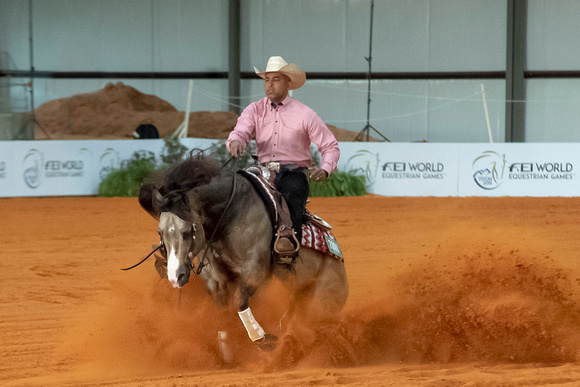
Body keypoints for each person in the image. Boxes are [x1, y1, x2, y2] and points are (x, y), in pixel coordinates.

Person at [226, 56, 340, 260]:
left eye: (275, 79)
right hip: (261, 172)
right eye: (266, 79)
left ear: (288, 82)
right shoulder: (254, 109)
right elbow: (241, 130)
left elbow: (329, 145)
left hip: (293, 172)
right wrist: (236, 141)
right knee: (235, 195)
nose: (269, 85)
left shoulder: (305, 114)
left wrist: (325, 168)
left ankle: (287, 247)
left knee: (293, 194)